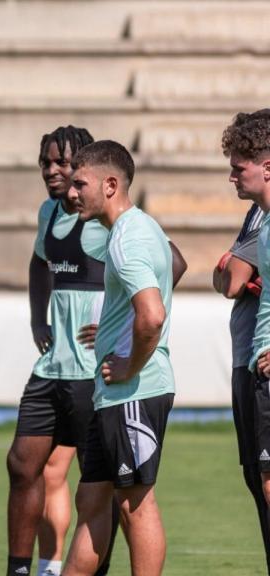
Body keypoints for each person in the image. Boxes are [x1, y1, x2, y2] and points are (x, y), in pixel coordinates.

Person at [62, 140, 179, 576]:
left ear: (110, 185)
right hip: (113, 393)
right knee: (91, 499)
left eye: (80, 183)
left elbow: (151, 315)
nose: (71, 193)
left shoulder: (127, 239)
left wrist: (130, 362)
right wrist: (116, 328)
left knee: (135, 505)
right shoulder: (135, 231)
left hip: (134, 389)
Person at [6, 126, 114, 576]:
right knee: (21, 465)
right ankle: (19, 569)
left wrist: (119, 326)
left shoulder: (107, 218)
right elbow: (37, 262)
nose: (51, 170)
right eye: (45, 162)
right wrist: (38, 318)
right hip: (51, 368)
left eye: (61, 163)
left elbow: (170, 264)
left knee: (98, 487)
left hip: (93, 375)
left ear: (83, 166)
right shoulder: (48, 212)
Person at [222, 109, 270, 574]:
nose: (231, 176)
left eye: (239, 167)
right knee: (258, 479)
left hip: (261, 363)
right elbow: (228, 277)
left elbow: (233, 279)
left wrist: (234, 268)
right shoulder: (260, 216)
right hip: (249, 358)